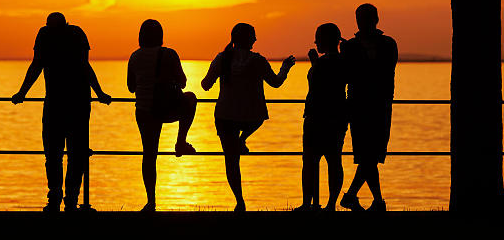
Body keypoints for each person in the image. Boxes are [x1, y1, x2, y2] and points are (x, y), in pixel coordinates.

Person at [11, 12, 111, 212]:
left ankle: (61, 198)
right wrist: (22, 92)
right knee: (69, 153)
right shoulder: (68, 33)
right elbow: (82, 66)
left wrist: (22, 93)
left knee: (60, 153)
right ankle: (63, 199)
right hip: (73, 102)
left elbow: (38, 65)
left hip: (64, 102)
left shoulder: (49, 34)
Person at [201, 23, 296, 212]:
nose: (255, 39)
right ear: (247, 39)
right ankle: (242, 139)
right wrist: (285, 67)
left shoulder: (222, 59)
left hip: (224, 116)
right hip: (249, 117)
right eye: (253, 36)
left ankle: (240, 202)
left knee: (231, 161)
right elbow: (276, 83)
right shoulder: (257, 61)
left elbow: (205, 85)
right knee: (261, 116)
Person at [127, 19, 198, 212]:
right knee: (191, 98)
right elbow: (183, 82)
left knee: (149, 155)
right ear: (161, 36)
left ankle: (151, 202)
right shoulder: (169, 54)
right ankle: (180, 141)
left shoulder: (134, 56)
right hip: (166, 108)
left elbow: (131, 87)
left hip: (143, 111)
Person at [339, 4, 398, 212]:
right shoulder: (351, 46)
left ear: (376, 19)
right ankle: (375, 201)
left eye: (366, 17)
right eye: (359, 18)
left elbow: (382, 71)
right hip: (357, 105)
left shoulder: (388, 44)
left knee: (371, 155)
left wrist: (356, 56)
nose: (362, 22)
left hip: (380, 105)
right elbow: (348, 75)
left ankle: (358, 197)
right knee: (367, 155)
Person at [293, 23, 348, 212]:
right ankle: (329, 204)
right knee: (333, 160)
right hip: (337, 116)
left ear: (326, 40)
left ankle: (310, 203)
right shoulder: (343, 61)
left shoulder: (326, 62)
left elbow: (320, 82)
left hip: (318, 116)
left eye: (318, 38)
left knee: (310, 161)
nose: (315, 41)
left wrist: (315, 62)